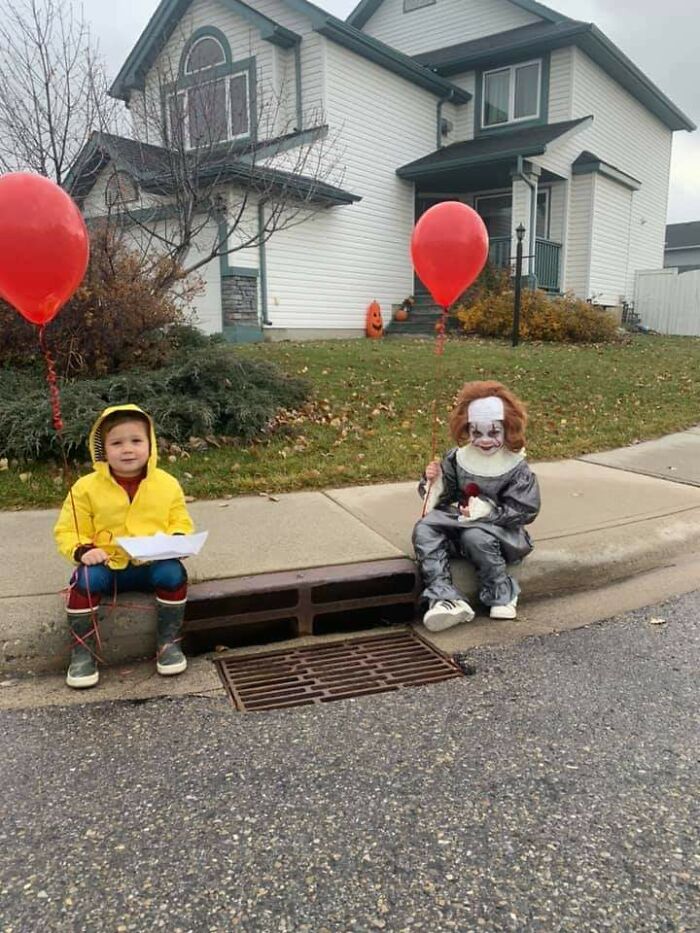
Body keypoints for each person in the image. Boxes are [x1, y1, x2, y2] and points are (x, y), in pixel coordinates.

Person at [54, 404, 194, 689]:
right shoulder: (85, 487)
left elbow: (180, 518)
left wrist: (178, 537)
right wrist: (83, 550)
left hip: (151, 564)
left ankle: (168, 643)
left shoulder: (166, 484)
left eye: (136, 441)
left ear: (150, 444)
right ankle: (82, 654)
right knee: (84, 580)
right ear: (102, 449)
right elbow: (68, 529)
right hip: (108, 565)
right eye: (117, 443)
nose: (127, 449)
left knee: (173, 574)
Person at [413, 381, 540, 632]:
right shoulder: (458, 458)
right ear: (467, 429)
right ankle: (445, 598)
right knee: (425, 527)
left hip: (500, 530)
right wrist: (433, 480)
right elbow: (444, 495)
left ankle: (501, 592)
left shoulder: (516, 467)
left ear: (507, 430)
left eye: (493, 433)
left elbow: (525, 510)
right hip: (461, 519)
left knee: (476, 536)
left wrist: (489, 513)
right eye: (476, 432)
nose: (484, 441)